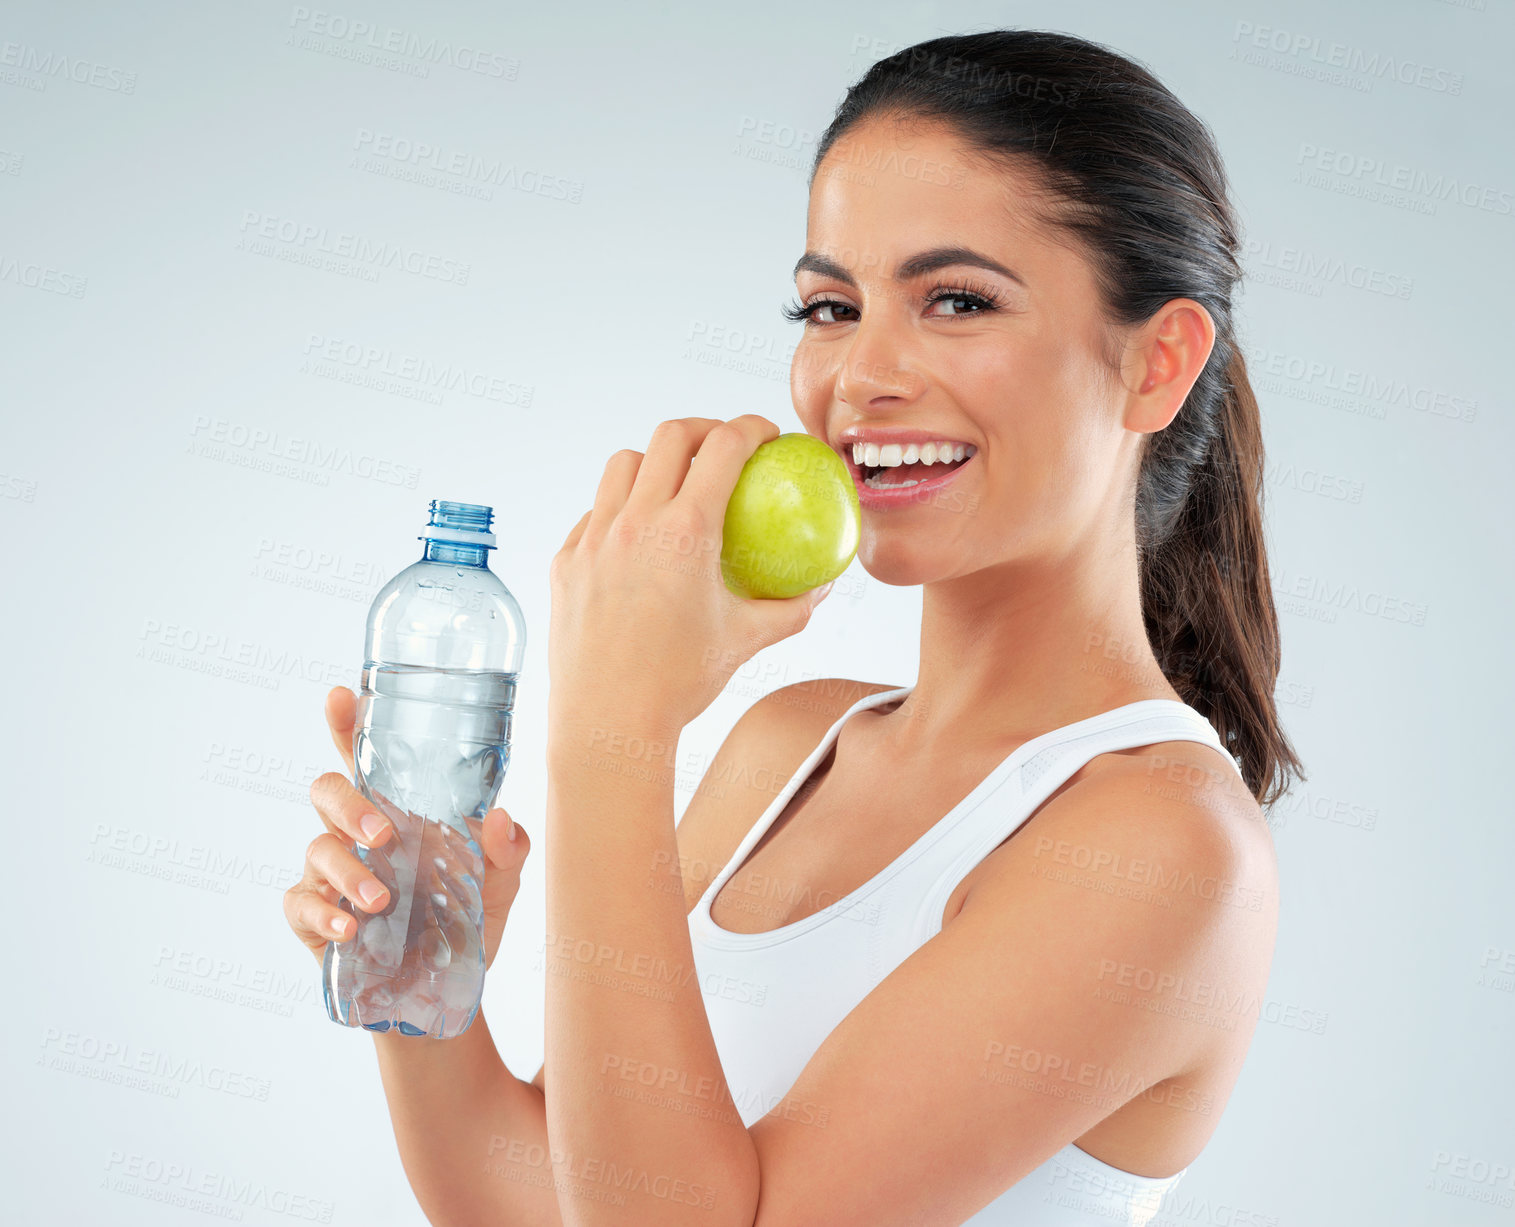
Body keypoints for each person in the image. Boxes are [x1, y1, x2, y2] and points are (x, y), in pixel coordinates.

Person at [285, 29, 1303, 1225]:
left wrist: (610, 730)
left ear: (1155, 361)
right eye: (830, 305)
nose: (860, 373)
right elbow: (546, 1204)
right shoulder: (788, 747)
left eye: (957, 300)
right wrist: (415, 965)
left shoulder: (1166, 851)